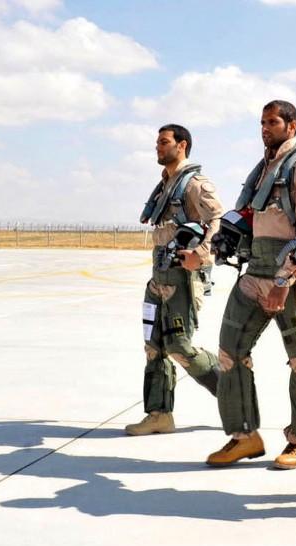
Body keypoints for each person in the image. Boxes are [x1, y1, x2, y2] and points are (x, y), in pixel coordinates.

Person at [206, 100, 296, 469]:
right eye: (262, 122)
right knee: (230, 351)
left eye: (272, 122)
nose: (265, 128)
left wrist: (284, 280)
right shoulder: (263, 169)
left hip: (288, 277)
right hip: (254, 271)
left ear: (292, 126)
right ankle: (244, 436)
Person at [125, 124, 223, 436]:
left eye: (163, 142)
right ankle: (159, 414)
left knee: (179, 346)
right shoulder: (166, 184)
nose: (158, 147)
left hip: (182, 276)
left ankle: (231, 391)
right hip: (158, 276)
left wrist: (203, 253)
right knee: (153, 347)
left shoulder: (194, 183)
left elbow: (218, 218)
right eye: (157, 142)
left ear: (181, 145)